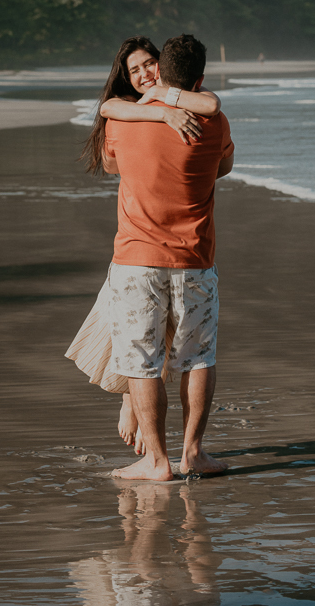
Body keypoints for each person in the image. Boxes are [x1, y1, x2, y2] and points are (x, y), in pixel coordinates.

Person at [81, 33, 234, 481]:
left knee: (141, 362)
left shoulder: (122, 123)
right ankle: (193, 454)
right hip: (195, 261)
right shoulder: (216, 124)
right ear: (198, 80)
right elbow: (223, 168)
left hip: (136, 261)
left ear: (160, 75)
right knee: (197, 358)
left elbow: (112, 166)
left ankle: (157, 461)